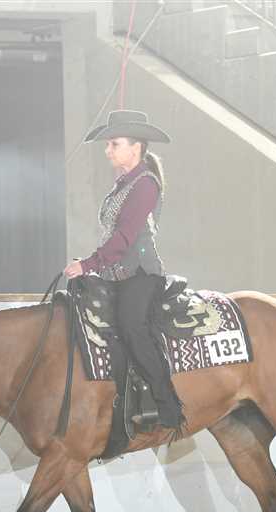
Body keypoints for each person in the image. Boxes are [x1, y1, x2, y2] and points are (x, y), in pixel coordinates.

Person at [63, 109, 184, 430]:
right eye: (109, 144)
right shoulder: (123, 185)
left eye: (114, 144)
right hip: (115, 273)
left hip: (141, 273)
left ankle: (166, 404)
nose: (108, 150)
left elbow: (125, 237)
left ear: (136, 147)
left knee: (132, 326)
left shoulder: (145, 185)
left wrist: (88, 264)